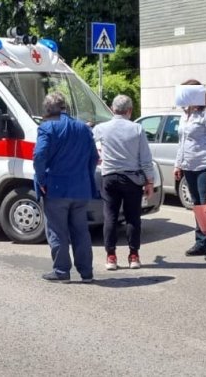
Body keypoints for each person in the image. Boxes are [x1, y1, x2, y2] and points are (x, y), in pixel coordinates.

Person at [33, 92, 98, 283]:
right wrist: (85, 175)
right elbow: (94, 157)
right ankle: (86, 272)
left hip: (56, 188)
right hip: (80, 188)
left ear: (46, 110)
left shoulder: (47, 128)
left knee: (57, 231)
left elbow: (39, 156)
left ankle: (62, 271)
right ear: (65, 107)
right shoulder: (83, 128)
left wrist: (42, 179)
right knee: (81, 231)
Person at [93, 95, 155, 270]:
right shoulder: (137, 129)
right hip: (132, 179)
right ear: (129, 110)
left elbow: (90, 145)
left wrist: (98, 158)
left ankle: (111, 257)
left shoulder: (101, 128)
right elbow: (145, 158)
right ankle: (134, 256)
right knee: (133, 218)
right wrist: (149, 181)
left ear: (113, 109)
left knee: (110, 217)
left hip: (110, 177)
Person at [174, 80, 206, 260]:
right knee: (197, 205)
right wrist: (178, 164)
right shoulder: (186, 114)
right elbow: (182, 141)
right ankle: (201, 243)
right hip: (190, 166)